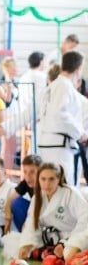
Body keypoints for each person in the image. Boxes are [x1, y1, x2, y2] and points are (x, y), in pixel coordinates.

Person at [2, 162, 88, 263]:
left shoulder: (69, 193)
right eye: (43, 179)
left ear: (58, 179)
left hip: (75, 236)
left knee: (69, 257)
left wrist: (74, 245)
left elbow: (85, 221)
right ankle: (47, 253)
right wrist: (26, 245)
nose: (47, 184)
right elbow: (31, 224)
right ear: (38, 179)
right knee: (12, 243)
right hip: (52, 239)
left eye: (51, 179)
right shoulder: (38, 197)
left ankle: (54, 253)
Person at [38, 51, 86, 184]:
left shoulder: (52, 86)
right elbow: (60, 113)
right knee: (64, 187)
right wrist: (80, 133)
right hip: (59, 145)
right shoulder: (64, 85)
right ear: (78, 69)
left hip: (49, 142)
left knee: (51, 186)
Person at [4, 153, 42, 233]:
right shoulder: (25, 183)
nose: (28, 176)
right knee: (16, 203)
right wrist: (8, 219)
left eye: (32, 172)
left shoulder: (46, 185)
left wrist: (29, 222)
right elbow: (10, 201)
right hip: (33, 215)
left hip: (45, 217)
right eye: (25, 172)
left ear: (40, 171)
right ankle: (25, 235)